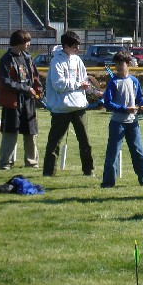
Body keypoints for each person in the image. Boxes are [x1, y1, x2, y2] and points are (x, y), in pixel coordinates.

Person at [42, 31, 96, 177]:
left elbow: (84, 80)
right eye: (74, 47)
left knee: (85, 140)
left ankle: (89, 170)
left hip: (79, 106)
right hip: (61, 108)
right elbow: (58, 84)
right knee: (54, 141)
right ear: (65, 46)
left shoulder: (78, 60)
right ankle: (49, 172)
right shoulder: (56, 62)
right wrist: (78, 84)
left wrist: (94, 91)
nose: (77, 50)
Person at [101, 51, 143, 188]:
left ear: (128, 64)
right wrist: (125, 109)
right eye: (116, 64)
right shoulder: (113, 82)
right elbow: (107, 103)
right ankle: (108, 182)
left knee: (138, 152)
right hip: (117, 123)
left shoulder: (134, 81)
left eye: (120, 64)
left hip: (133, 123)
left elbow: (139, 99)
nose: (118, 66)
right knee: (113, 153)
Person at [0, 30, 41, 170]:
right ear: (20, 42)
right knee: (10, 132)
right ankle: (5, 163)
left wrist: (38, 91)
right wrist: (24, 89)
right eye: (27, 41)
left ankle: (32, 162)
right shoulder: (6, 59)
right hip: (12, 102)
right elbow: (4, 81)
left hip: (28, 102)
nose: (29, 44)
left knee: (30, 132)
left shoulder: (28, 57)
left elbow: (35, 77)